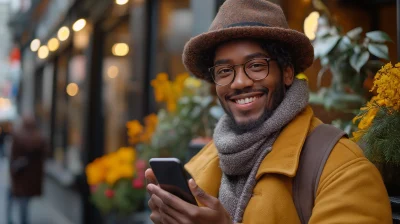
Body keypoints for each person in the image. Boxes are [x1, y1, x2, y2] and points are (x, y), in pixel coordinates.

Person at [145, 0, 392, 223]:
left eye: (255, 65)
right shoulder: (200, 167)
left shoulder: (343, 168)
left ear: (287, 72)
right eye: (224, 71)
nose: (239, 82)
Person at [7, 115, 47, 224]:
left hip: (20, 176)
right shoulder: (39, 137)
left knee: (18, 201)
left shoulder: (18, 136)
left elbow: (12, 156)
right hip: (32, 178)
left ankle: (12, 218)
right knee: (24, 202)